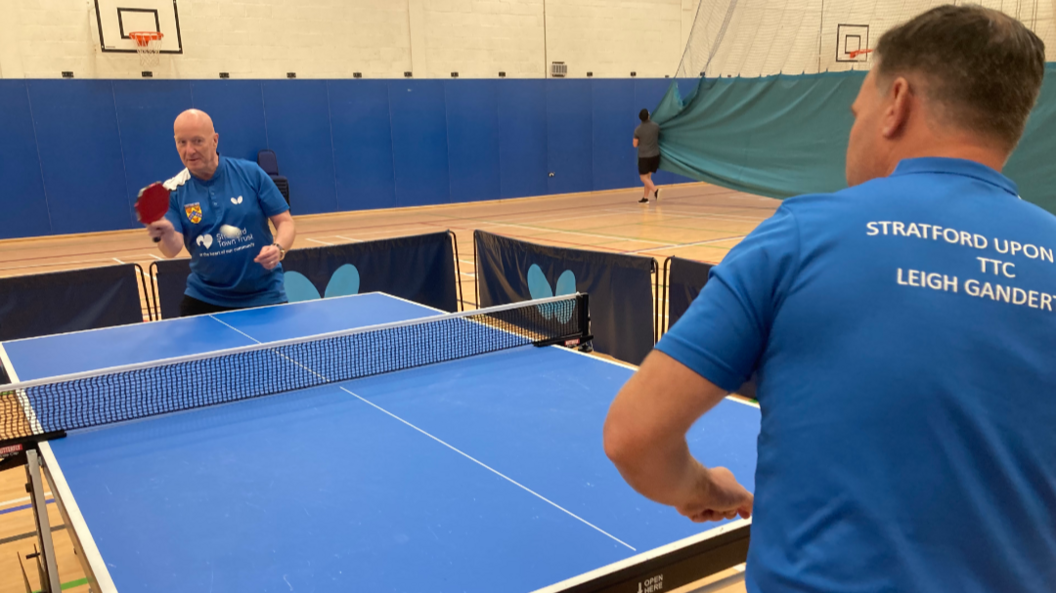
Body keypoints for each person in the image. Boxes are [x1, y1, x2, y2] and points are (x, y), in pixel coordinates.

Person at [604, 6, 1055, 592]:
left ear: (896, 102)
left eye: (855, 111)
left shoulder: (800, 235)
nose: (855, 128)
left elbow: (633, 435)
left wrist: (701, 487)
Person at [146, 109, 296, 317]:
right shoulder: (173, 191)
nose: (189, 151)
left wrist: (279, 248)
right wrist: (165, 232)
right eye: (182, 142)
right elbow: (172, 249)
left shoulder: (251, 173)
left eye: (197, 141)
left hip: (264, 295)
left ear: (215, 140)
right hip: (205, 299)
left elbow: (285, 222)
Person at [634, 109, 661, 204]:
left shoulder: (638, 129)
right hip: (655, 156)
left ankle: (656, 190)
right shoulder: (656, 126)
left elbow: (635, 144)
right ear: (648, 116)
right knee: (648, 178)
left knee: (643, 178)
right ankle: (645, 198)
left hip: (644, 157)